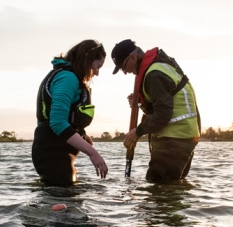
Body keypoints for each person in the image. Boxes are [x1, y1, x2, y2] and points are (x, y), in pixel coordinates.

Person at [111, 39, 200, 182]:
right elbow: (166, 99)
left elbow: (163, 113)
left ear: (133, 57)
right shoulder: (159, 67)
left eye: (123, 66)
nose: (125, 72)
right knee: (170, 187)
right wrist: (141, 100)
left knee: (158, 184)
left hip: (174, 139)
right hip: (182, 136)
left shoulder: (154, 74)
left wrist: (137, 132)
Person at [32, 39, 109, 186]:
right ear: (87, 60)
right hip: (52, 152)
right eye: (98, 66)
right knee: (62, 201)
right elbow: (56, 122)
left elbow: (60, 118)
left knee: (68, 198)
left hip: (58, 150)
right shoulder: (67, 78)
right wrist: (92, 153)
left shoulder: (68, 77)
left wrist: (82, 136)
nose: (97, 73)